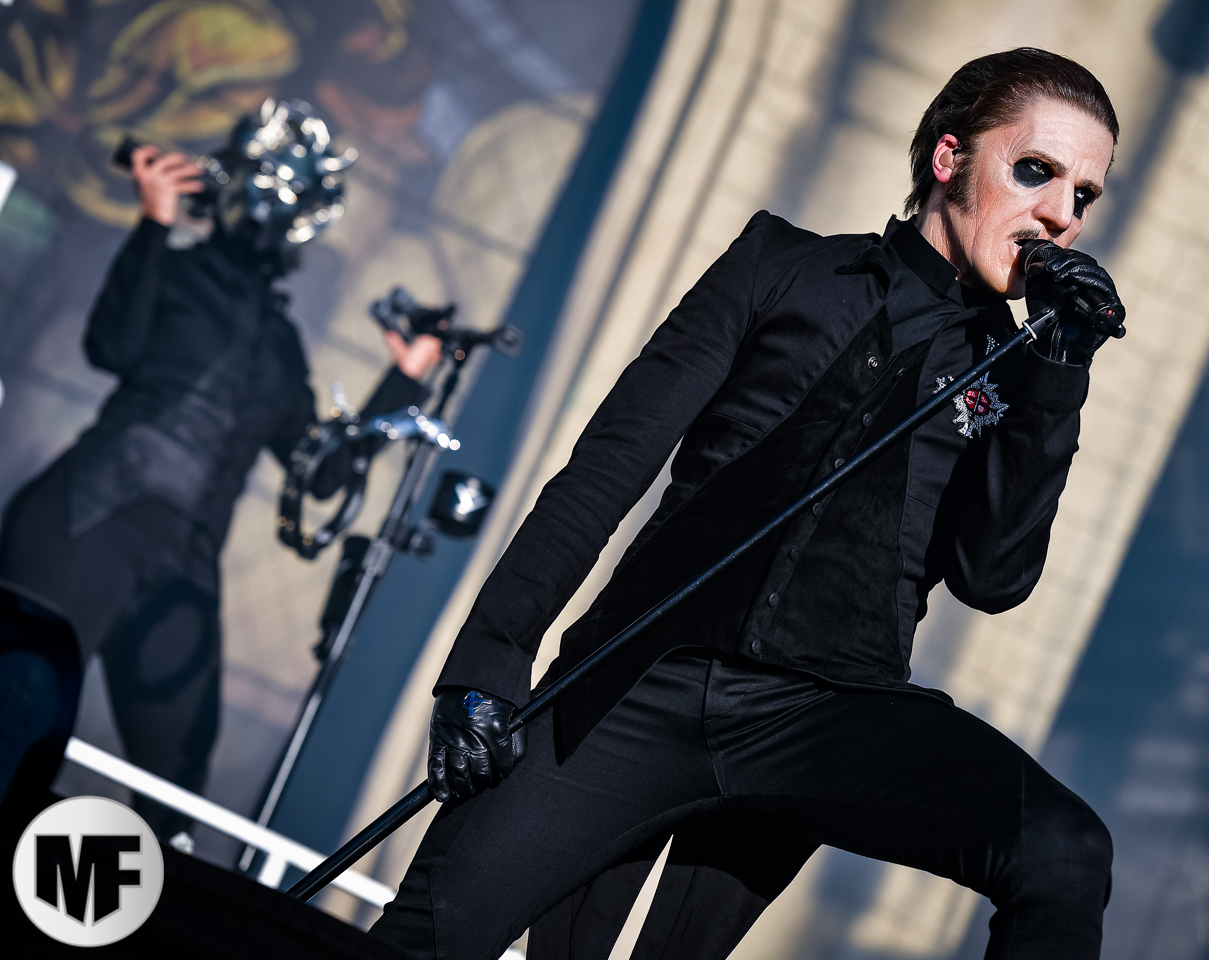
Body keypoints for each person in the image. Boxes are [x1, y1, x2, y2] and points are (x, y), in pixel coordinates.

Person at [371, 48, 1124, 960]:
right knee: (427, 937)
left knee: (1067, 850)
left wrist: (1059, 370)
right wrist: (489, 656)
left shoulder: (1017, 375)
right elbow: (606, 469)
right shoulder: (780, 265)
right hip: (640, 681)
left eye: (1084, 195)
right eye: (1036, 170)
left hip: (829, 720)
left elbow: (993, 579)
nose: (1060, 213)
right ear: (948, 157)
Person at [0, 101, 441, 846]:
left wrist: (404, 379)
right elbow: (111, 346)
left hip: (182, 567)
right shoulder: (174, 270)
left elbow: (321, 475)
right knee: (18, 721)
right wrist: (154, 222)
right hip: (85, 521)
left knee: (173, 797)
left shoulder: (281, 345)